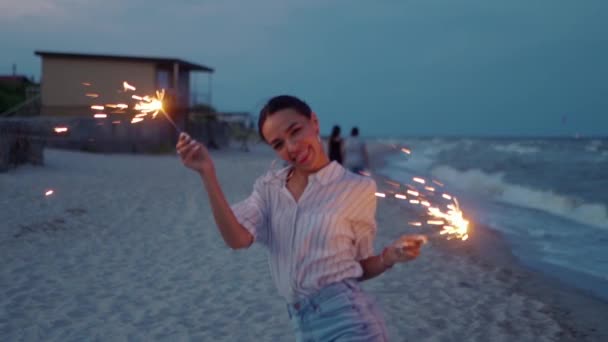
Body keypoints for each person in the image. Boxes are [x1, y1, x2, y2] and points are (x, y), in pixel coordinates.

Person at [176, 95, 424, 341]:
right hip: (302, 327)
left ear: (314, 122)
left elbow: (358, 268)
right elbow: (237, 239)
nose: (292, 147)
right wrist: (207, 174)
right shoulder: (268, 188)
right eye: (279, 144)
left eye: (295, 131)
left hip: (349, 322)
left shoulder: (357, 188)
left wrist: (388, 257)